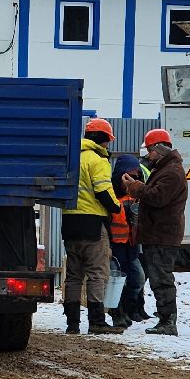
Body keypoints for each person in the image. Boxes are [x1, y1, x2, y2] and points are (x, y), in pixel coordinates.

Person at [59, 117, 124, 335]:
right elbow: (103, 192)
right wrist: (116, 207)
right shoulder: (97, 161)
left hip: (69, 223)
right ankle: (97, 321)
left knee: (74, 276)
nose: (108, 145)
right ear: (102, 139)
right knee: (97, 273)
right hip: (93, 225)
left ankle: (72, 324)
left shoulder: (72, 158)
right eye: (107, 140)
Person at [119, 128, 187, 336]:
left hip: (162, 235)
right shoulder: (166, 169)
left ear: (159, 149)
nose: (148, 155)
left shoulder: (172, 172)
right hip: (159, 233)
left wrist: (135, 187)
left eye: (150, 150)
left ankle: (168, 321)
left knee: (161, 278)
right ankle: (165, 318)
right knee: (159, 277)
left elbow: (157, 197)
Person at [109, 153, 147, 328]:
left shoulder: (136, 195)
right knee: (117, 282)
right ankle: (118, 313)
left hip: (130, 247)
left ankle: (129, 308)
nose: (133, 178)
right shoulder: (111, 194)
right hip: (115, 247)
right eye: (129, 174)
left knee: (137, 279)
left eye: (136, 175)